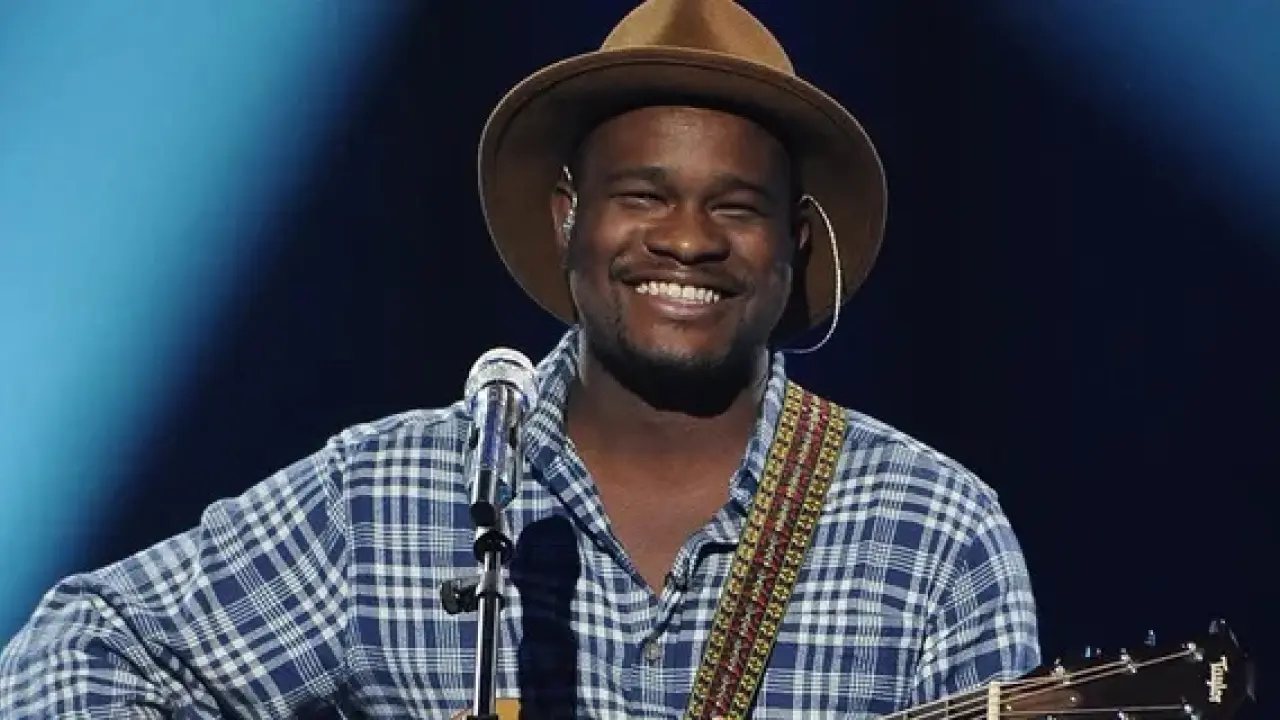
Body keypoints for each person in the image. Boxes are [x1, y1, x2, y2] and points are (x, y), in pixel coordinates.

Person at [0, 1, 1040, 717]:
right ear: (567, 217)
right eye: (642, 195)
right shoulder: (389, 494)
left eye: (735, 208)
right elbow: (71, 656)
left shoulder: (933, 532)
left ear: (796, 245)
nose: (687, 239)